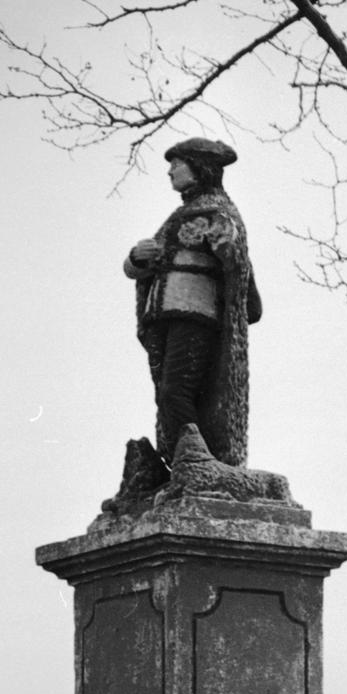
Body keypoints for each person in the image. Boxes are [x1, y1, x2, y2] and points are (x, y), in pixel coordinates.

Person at [124, 137, 262, 469]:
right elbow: (135, 269)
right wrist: (137, 258)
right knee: (168, 393)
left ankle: (195, 459)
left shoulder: (217, 212)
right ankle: (181, 460)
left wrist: (227, 255)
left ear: (199, 167)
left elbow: (236, 263)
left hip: (195, 314)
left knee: (176, 391)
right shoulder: (180, 215)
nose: (170, 171)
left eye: (177, 163)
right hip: (164, 314)